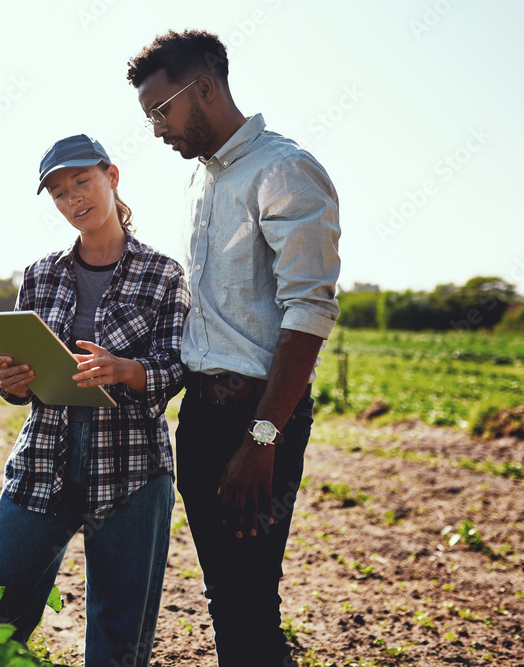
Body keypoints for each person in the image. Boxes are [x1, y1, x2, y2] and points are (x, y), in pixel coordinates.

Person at [126, 29, 341, 666]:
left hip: (257, 421)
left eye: (161, 110)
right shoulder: (201, 182)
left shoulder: (284, 169)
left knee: (248, 602)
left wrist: (262, 439)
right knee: (227, 597)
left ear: (208, 88)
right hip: (201, 415)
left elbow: (309, 312)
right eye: (148, 117)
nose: (157, 129)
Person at [0, 134, 190, 666]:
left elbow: (177, 368)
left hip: (131, 471)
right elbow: (18, 379)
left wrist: (128, 371)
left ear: (112, 176)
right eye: (58, 191)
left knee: (116, 638)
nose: (73, 197)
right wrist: (12, 382)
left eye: (82, 181)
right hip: (43, 462)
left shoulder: (164, 274)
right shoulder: (40, 275)